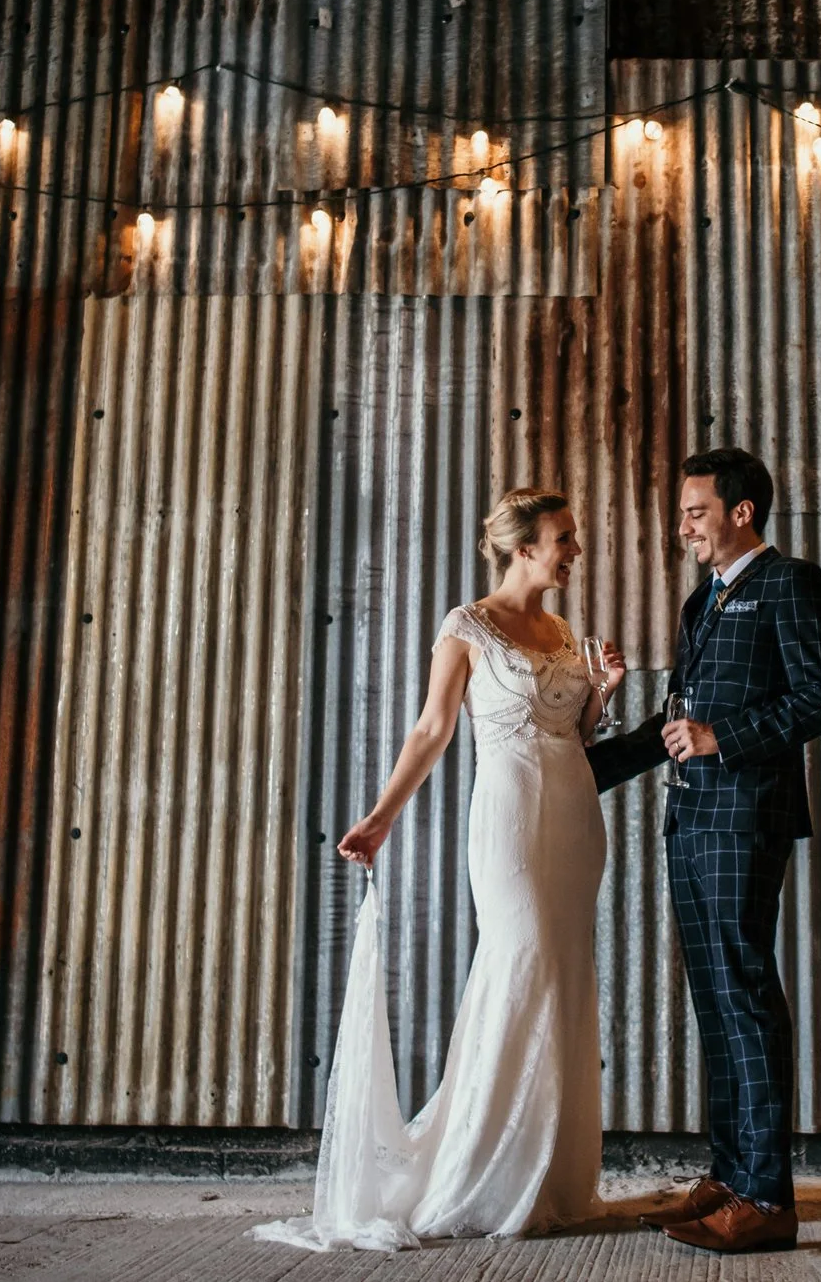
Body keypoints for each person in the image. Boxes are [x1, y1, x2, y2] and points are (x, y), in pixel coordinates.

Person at [253, 488, 623, 1251]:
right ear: (523, 547)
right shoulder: (467, 626)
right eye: (564, 538)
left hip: (575, 816)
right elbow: (432, 727)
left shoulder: (561, 629)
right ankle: (477, 1169)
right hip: (511, 812)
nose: (575, 550)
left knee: (565, 970)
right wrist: (381, 816)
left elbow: (577, 733)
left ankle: (549, 1172)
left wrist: (605, 694)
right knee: (518, 960)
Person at [587, 447, 821, 1254]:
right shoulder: (703, 600)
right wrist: (571, 769)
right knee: (716, 1006)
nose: (684, 526)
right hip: (690, 821)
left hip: (746, 817)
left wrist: (723, 736)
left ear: (742, 511)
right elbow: (672, 729)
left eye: (695, 511)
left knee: (745, 999)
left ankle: (767, 1198)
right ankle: (730, 1176)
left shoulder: (791, 582)